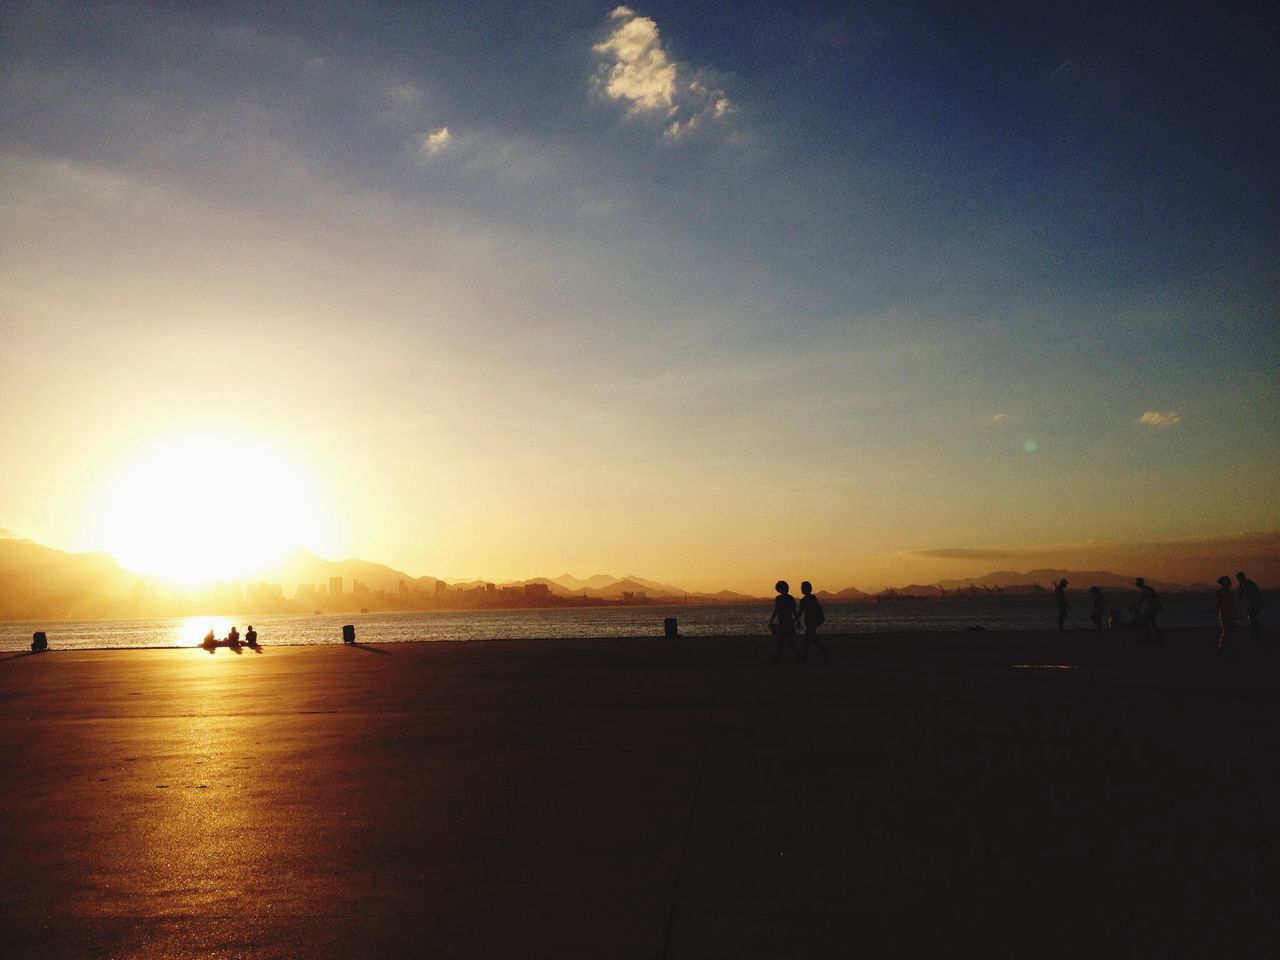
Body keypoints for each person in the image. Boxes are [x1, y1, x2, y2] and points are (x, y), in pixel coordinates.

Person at [768, 580, 802, 662]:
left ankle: (779, 657)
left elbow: (778, 610)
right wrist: (797, 621)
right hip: (785, 622)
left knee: (785, 640)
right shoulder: (788, 598)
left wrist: (797, 621)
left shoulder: (780, 598)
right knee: (785, 640)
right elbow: (793, 611)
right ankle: (796, 655)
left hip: (785, 622)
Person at [797, 581, 830, 662]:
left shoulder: (812, 598)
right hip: (808, 622)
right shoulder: (803, 600)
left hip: (812, 622)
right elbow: (800, 612)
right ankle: (826, 654)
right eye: (802, 588)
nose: (802, 589)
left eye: (803, 588)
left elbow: (815, 609)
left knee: (808, 640)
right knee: (813, 640)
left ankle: (804, 657)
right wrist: (795, 620)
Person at [1132, 577, 1164, 643]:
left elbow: (1142, 600)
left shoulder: (1146, 590)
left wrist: (1133, 607)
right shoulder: (1148, 589)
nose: (1136, 584)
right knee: (1151, 622)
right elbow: (1155, 597)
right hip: (1152, 608)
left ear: (1140, 583)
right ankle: (1157, 636)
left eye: (1137, 583)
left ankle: (1151, 637)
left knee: (1147, 622)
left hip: (1152, 608)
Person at [1236, 571, 1264, 640]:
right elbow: (1241, 595)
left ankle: (1257, 630)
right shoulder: (1241, 584)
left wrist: (1255, 601)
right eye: (1238, 578)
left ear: (1243, 577)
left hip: (1258, 601)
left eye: (1240, 578)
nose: (1239, 580)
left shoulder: (1249, 583)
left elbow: (1256, 593)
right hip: (1253, 601)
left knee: (1251, 615)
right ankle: (1256, 630)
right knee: (1251, 616)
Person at [1214, 576, 1237, 652]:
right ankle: (1223, 647)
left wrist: (1237, 613)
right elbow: (1219, 603)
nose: (1229, 583)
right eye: (1227, 581)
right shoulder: (1219, 592)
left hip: (1232, 614)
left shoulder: (1232, 592)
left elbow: (1233, 604)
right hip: (1224, 615)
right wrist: (1214, 610)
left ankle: (1226, 647)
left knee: (1231, 632)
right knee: (1226, 632)